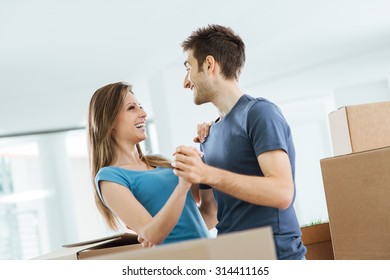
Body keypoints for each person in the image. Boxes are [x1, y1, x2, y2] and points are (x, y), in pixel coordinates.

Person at [173, 24, 307, 260]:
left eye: (188, 68)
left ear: (209, 64)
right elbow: (211, 212)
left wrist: (206, 174)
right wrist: (164, 232)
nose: (186, 82)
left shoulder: (260, 113)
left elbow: (282, 192)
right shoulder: (209, 135)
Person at [87, 82, 210, 246]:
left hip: (208, 253)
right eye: (131, 108)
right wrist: (183, 185)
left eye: (141, 107)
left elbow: (209, 214)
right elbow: (152, 235)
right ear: (108, 122)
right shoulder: (109, 178)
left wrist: (207, 144)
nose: (143, 113)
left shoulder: (160, 162)